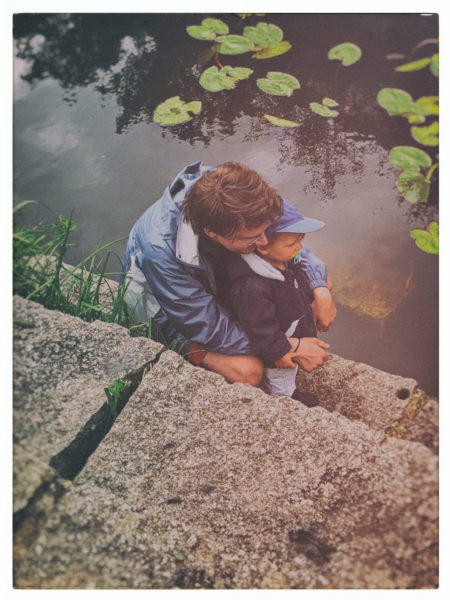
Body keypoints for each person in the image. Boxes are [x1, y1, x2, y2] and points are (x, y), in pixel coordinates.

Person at [122, 161, 336, 387]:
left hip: (213, 278)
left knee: (308, 287)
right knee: (248, 372)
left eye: (265, 231)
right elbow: (207, 328)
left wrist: (320, 289)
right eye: (253, 237)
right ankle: (188, 350)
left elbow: (286, 238)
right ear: (212, 233)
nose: (264, 241)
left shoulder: (245, 194)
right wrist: (287, 346)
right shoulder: (160, 251)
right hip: (168, 313)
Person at [227, 201, 329, 397]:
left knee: (291, 372)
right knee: (280, 379)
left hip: (295, 334)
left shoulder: (287, 261)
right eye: (291, 244)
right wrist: (279, 351)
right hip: (279, 350)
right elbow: (261, 330)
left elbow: (299, 285)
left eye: (300, 240)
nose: (299, 247)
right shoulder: (252, 288)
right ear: (263, 247)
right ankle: (286, 398)